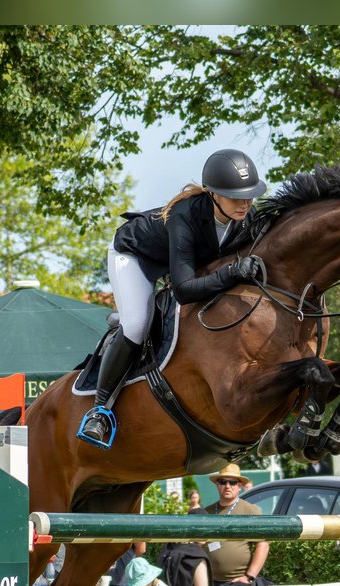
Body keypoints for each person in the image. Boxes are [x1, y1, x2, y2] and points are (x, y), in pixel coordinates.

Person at [77, 149, 269, 447]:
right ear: (214, 194)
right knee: (138, 324)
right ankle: (99, 412)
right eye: (236, 197)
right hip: (134, 257)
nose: (245, 203)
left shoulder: (247, 218)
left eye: (249, 196)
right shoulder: (186, 215)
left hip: (176, 262)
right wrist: (233, 272)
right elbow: (185, 290)